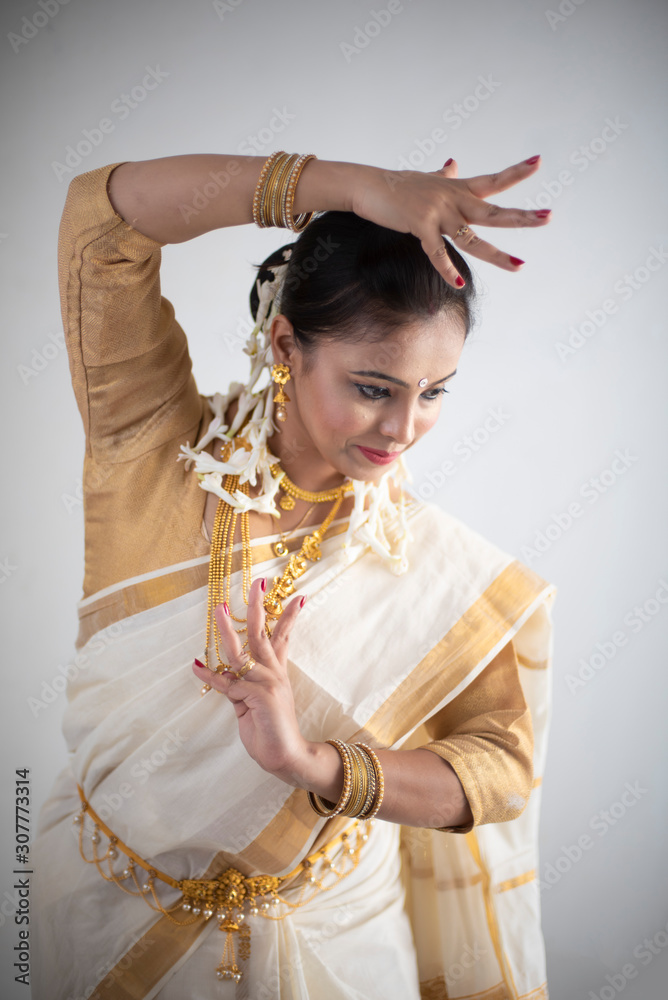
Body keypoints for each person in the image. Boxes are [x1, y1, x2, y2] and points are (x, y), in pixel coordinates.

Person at [32, 149, 555, 1000]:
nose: (404, 427)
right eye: (374, 386)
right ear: (286, 344)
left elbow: (500, 768)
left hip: (337, 946)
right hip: (101, 923)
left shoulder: (428, 563)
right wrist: (351, 188)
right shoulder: (150, 449)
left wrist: (316, 766)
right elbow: (104, 223)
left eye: (434, 393)